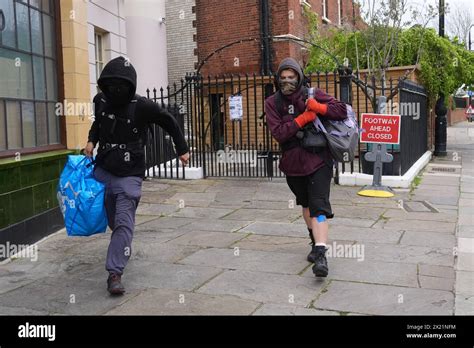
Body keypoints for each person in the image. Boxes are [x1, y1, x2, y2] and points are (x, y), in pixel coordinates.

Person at [84, 56, 190, 294]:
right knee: (112, 221)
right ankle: (121, 240)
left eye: (120, 86)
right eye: (111, 86)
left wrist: (181, 149)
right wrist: (91, 141)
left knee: (123, 222)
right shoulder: (100, 100)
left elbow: (169, 121)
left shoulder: (141, 105)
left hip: (129, 174)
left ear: (129, 85)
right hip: (102, 171)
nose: (115, 90)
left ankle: (114, 273)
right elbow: (98, 124)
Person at [265, 57, 347, 277]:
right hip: (293, 164)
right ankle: (314, 243)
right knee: (306, 204)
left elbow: (342, 110)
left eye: (291, 77)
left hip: (319, 160)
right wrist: (304, 118)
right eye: (283, 77)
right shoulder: (272, 103)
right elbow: (279, 133)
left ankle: (321, 255)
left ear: (299, 77)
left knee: (319, 206)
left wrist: (319, 107)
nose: (287, 81)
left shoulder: (311, 93)